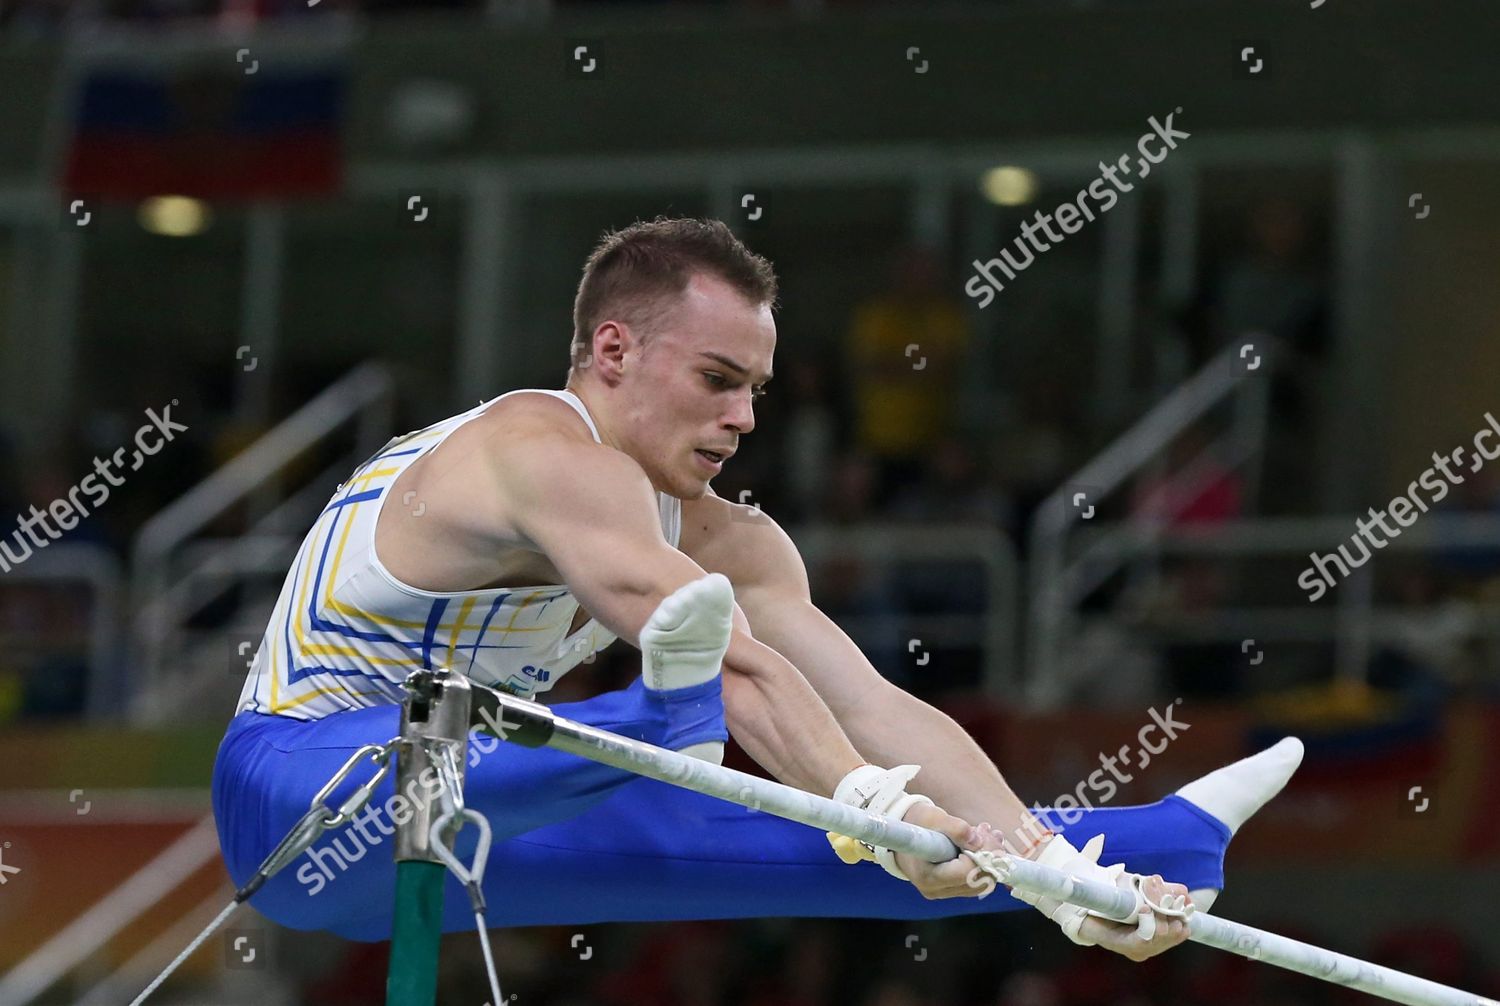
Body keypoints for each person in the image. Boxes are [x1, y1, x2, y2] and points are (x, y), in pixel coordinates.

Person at [213, 217, 1302, 958]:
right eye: (718, 382)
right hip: (298, 798)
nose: (744, 418)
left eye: (758, 391)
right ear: (613, 350)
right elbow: (744, 674)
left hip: (471, 830)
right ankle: (654, 715)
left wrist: (1055, 876)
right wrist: (870, 806)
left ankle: (1151, 845)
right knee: (818, 787)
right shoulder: (531, 448)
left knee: (862, 844)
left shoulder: (732, 541)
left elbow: (871, 708)